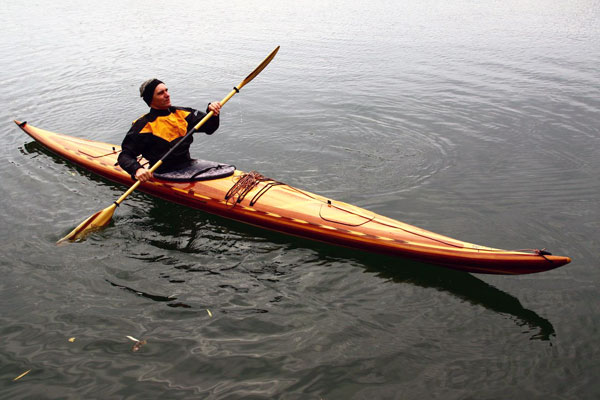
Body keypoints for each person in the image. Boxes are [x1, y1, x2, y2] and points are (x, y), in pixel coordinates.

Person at [117, 78, 222, 182]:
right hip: (162, 172)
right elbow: (125, 155)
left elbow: (210, 128)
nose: (167, 95)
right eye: (160, 93)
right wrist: (137, 169)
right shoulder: (143, 125)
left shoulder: (182, 113)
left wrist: (212, 112)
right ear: (151, 99)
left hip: (188, 165)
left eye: (166, 90)